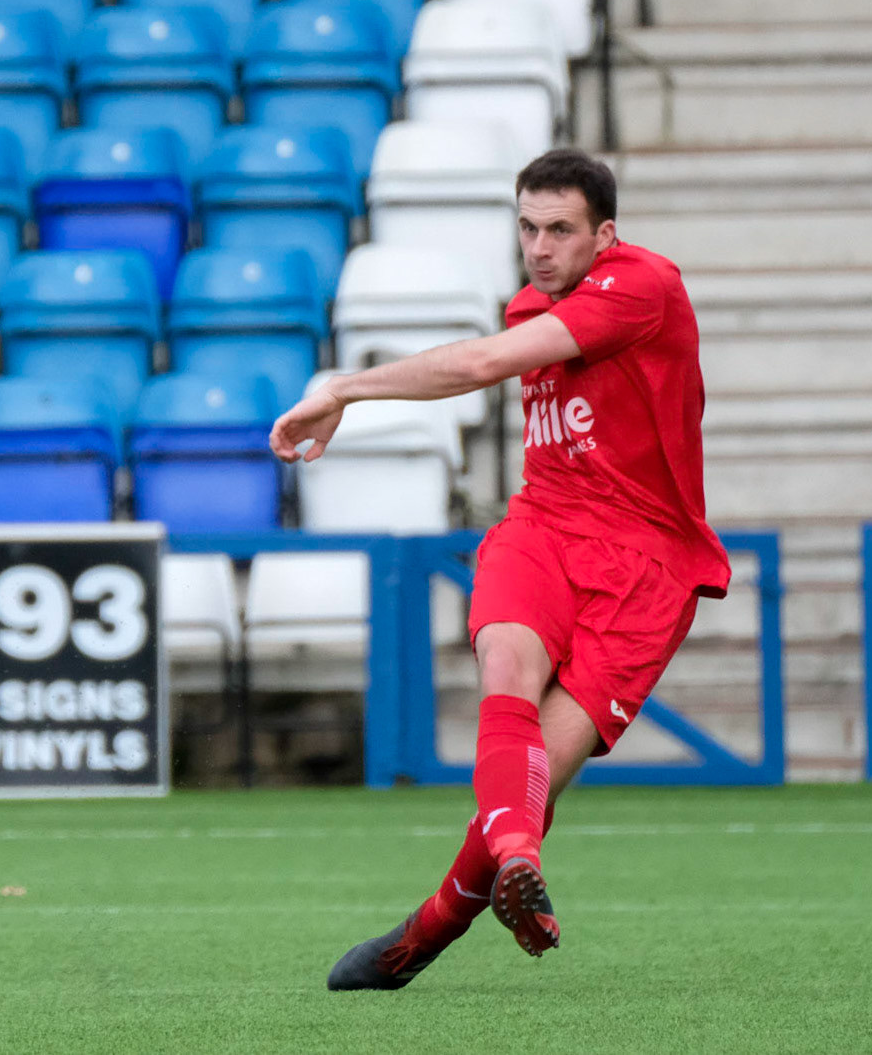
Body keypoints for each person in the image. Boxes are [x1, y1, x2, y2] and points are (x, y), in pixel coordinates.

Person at [268, 148, 732, 989]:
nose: (540, 247)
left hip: (644, 566)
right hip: (544, 527)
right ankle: (517, 863)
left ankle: (423, 935)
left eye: (560, 230)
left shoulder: (642, 284)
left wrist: (343, 386)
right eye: (527, 227)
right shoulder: (529, 301)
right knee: (505, 671)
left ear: (606, 234)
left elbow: (479, 365)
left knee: (533, 777)